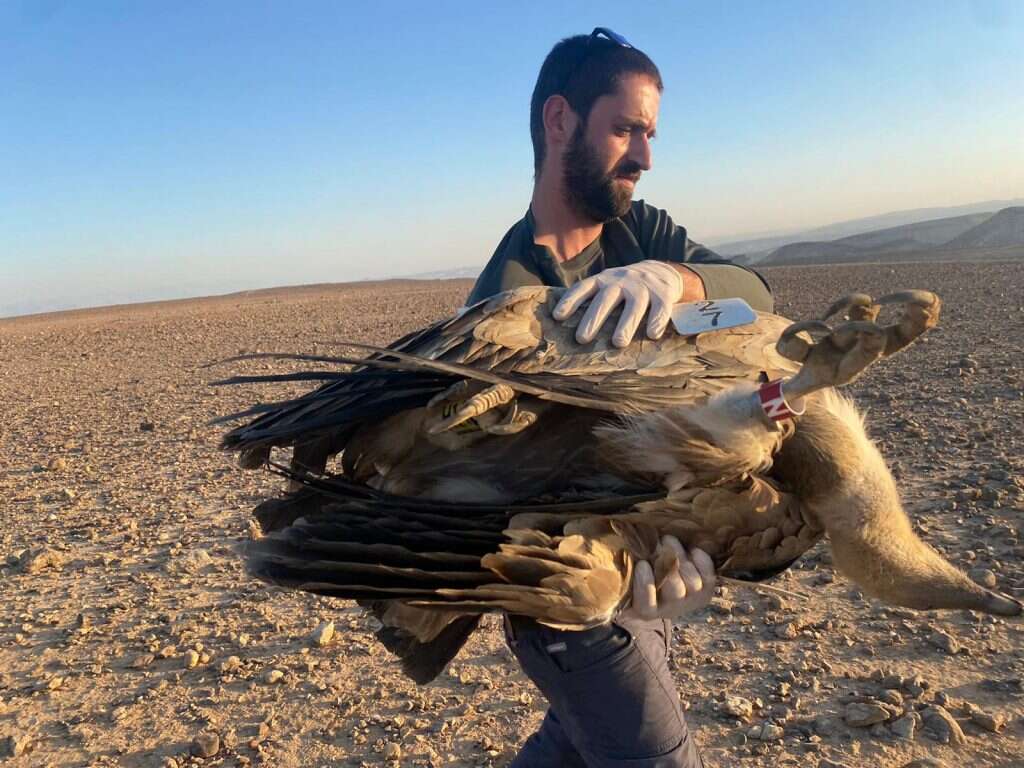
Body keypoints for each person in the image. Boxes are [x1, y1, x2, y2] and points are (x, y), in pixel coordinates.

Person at [466, 29, 775, 767]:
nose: (645, 156)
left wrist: (679, 279)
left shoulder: (640, 231)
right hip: (574, 605)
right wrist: (618, 557)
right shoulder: (505, 302)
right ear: (561, 121)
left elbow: (755, 296)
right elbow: (499, 498)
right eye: (625, 130)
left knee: (571, 749)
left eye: (650, 134)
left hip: (649, 568)